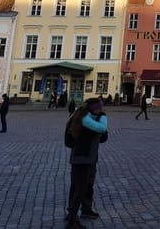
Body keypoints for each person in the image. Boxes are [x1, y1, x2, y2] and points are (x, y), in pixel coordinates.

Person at [65, 97, 108, 228]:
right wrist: (103, 116)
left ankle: (73, 214)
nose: (101, 110)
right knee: (80, 190)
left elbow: (103, 137)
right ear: (95, 108)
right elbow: (102, 129)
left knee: (77, 188)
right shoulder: (85, 119)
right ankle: (72, 221)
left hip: (82, 157)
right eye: (99, 108)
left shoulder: (81, 117)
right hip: (83, 158)